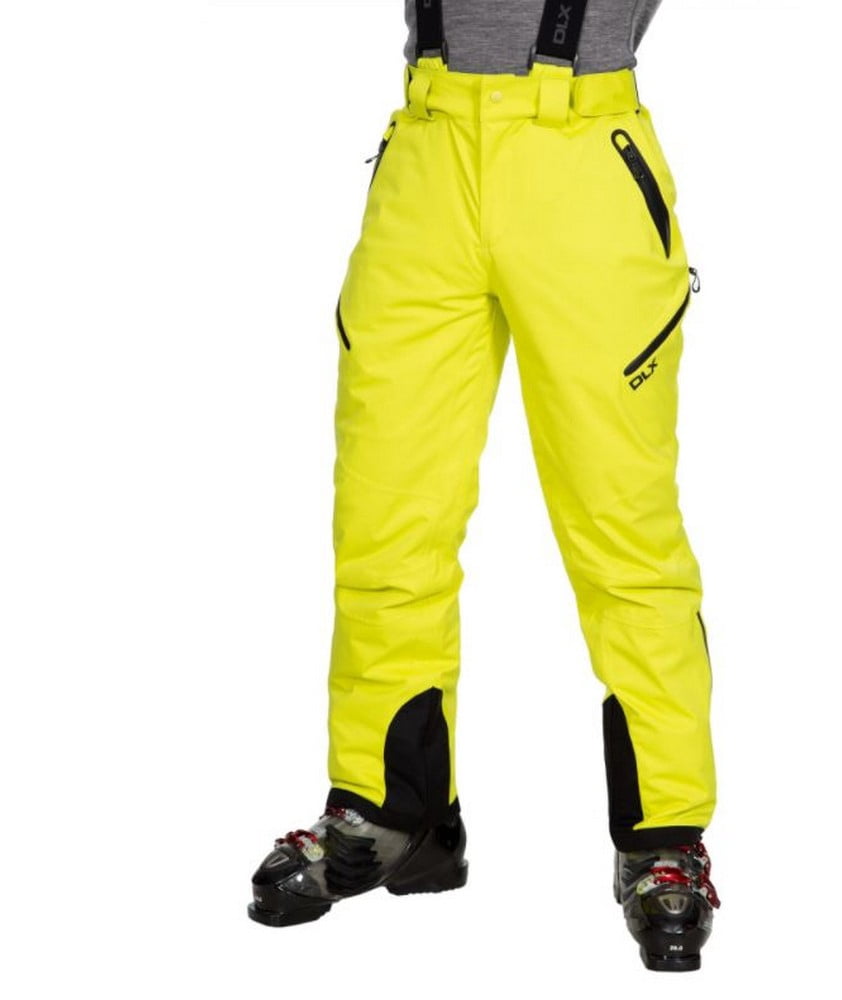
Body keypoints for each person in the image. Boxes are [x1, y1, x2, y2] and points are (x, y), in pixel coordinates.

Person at [247, 0, 721, 972]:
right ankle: (395, 811)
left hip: (581, 149)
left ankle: (663, 835)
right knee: (385, 515)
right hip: (426, 153)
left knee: (620, 525)